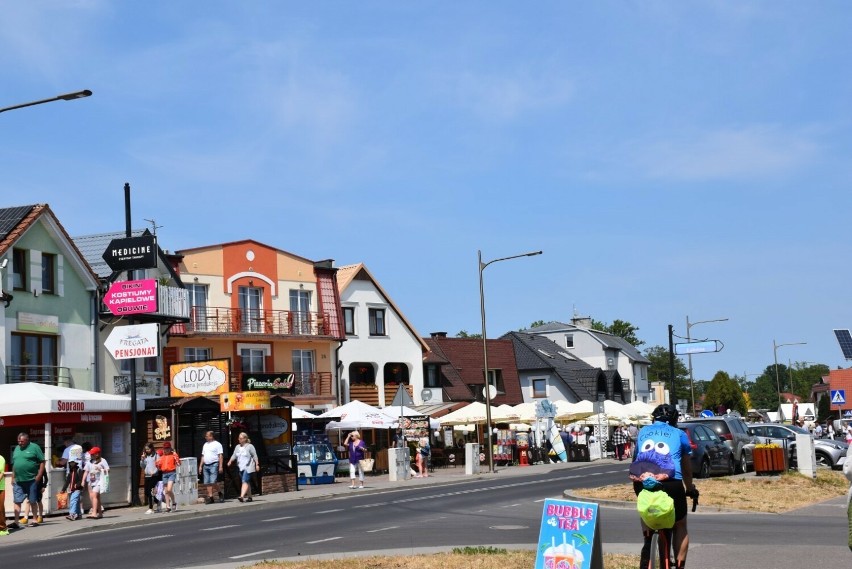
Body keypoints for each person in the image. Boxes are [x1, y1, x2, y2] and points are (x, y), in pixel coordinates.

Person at [629, 404, 696, 569]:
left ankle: (648, 537)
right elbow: (686, 469)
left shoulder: (643, 431)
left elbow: (635, 459)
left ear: (654, 418)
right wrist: (690, 488)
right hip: (671, 483)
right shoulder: (679, 434)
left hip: (642, 481)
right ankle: (679, 566)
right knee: (680, 523)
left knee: (647, 508)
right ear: (674, 420)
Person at [10, 432, 45, 528]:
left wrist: (39, 475)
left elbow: (42, 461)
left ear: (27, 440)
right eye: (18, 441)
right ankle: (16, 522)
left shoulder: (34, 447)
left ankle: (34, 520)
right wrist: (13, 477)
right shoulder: (17, 448)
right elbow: (15, 463)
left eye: (21, 441)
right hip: (18, 480)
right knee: (17, 501)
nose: (20, 443)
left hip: (31, 479)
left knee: (32, 500)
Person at [227, 432, 259, 502]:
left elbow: (254, 455)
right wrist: (230, 461)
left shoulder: (250, 446)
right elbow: (234, 455)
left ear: (245, 439)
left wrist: (257, 464)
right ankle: (250, 497)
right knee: (246, 482)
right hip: (241, 467)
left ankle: (241, 496)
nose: (239, 439)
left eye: (241, 438)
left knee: (244, 481)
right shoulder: (237, 447)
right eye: (239, 438)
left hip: (248, 467)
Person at [198, 431, 224, 505]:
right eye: (206, 436)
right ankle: (211, 497)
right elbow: (203, 456)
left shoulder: (217, 444)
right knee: (207, 482)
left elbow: (220, 456)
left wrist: (220, 466)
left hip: (214, 464)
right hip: (206, 465)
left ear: (211, 436)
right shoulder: (205, 445)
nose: (206, 437)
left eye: (207, 436)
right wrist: (200, 466)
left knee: (213, 481)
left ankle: (219, 492)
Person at [84, 446, 109, 519]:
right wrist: (83, 481)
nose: (91, 455)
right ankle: (100, 513)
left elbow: (108, 470)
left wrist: (101, 469)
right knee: (96, 497)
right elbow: (86, 471)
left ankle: (94, 513)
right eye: (91, 454)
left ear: (97, 454)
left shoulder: (103, 460)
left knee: (94, 495)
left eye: (92, 454)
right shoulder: (90, 462)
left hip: (100, 481)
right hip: (92, 481)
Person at [155, 441, 181, 512]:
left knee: (169, 489)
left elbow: (178, 464)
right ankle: (168, 506)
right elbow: (158, 466)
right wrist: (157, 463)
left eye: (168, 448)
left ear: (170, 449)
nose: (166, 450)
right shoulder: (162, 457)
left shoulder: (173, 455)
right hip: (164, 473)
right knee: (166, 491)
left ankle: (174, 502)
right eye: (165, 448)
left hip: (172, 473)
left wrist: (176, 455)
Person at [140, 443, 161, 514]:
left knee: (151, 492)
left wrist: (154, 472)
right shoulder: (145, 456)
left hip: (153, 476)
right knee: (147, 492)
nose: (147, 450)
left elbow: (159, 465)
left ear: (151, 448)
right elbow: (142, 466)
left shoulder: (156, 455)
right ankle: (157, 501)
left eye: (148, 449)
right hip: (147, 475)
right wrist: (142, 459)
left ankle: (151, 508)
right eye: (146, 449)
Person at [0, 453, 7, 536]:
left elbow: (1, 473)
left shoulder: (1, 458)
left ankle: (3, 528)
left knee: (0, 508)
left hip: (0, 488)